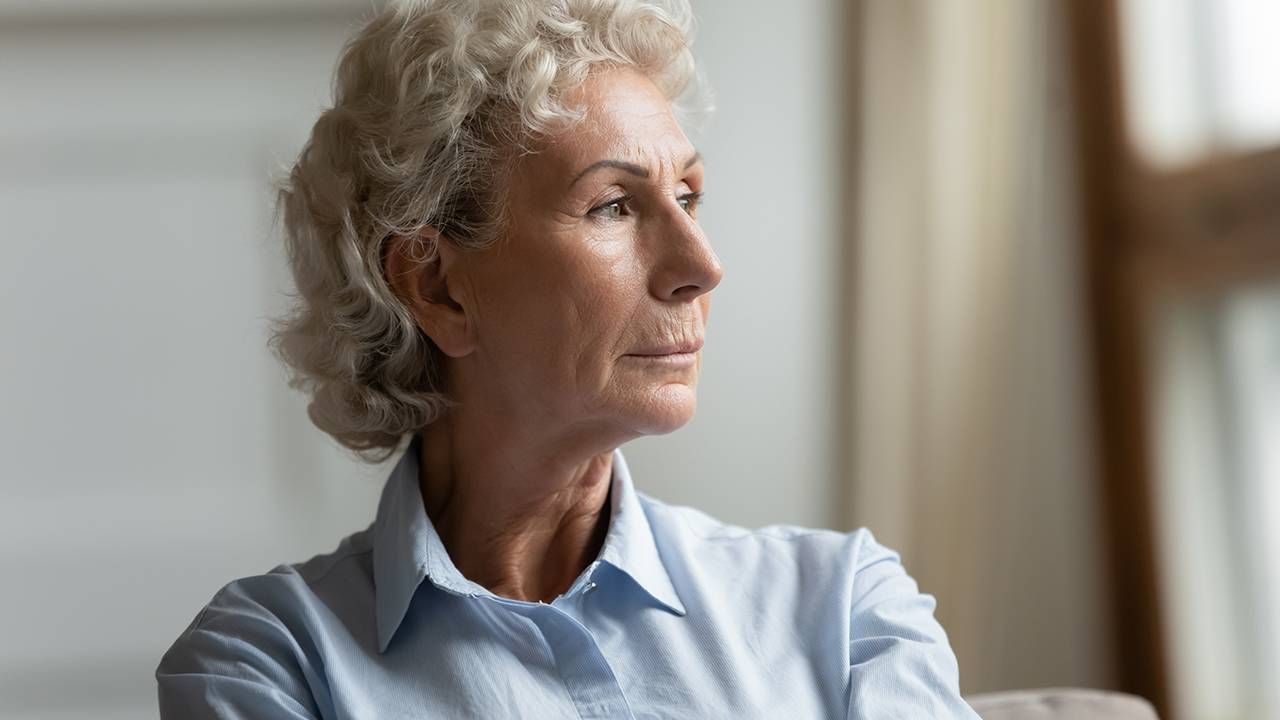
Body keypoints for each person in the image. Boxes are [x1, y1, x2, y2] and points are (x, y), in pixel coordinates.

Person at [155, 0, 980, 717]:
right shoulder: (273, 663)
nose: (701, 263)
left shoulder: (843, 611)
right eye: (615, 205)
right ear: (439, 286)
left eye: (688, 195)